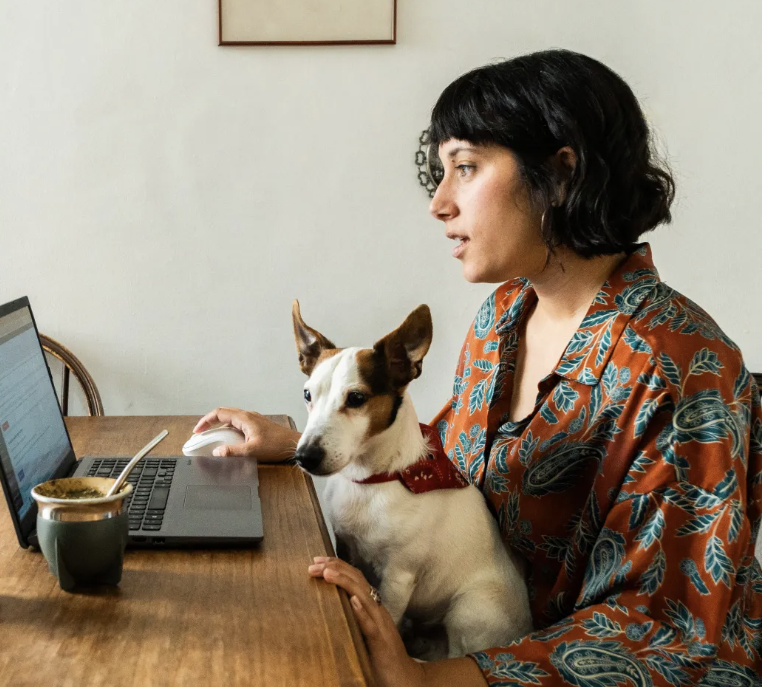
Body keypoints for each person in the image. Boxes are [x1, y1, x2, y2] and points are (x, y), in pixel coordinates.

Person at [194, 49, 762, 686]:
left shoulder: (681, 368)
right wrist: (308, 445)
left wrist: (435, 679)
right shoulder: (503, 317)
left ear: (560, 175)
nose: (438, 203)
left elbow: (668, 627)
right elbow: (438, 464)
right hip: (467, 649)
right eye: (440, 173)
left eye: (464, 168)